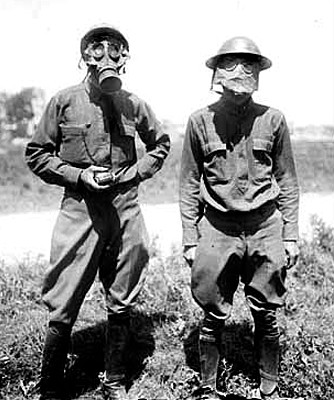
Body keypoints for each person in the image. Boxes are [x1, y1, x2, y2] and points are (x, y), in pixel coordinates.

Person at [25, 24, 170, 400]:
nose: (107, 57)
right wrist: (78, 175)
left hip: (124, 206)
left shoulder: (133, 103)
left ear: (125, 59)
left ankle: (115, 379)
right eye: (97, 50)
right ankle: (52, 389)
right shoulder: (64, 101)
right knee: (64, 298)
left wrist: (132, 174)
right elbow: (37, 154)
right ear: (84, 57)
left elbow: (161, 144)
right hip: (80, 207)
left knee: (123, 292)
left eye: (116, 51)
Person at [179, 36, 300, 400]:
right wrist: (190, 238)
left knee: (266, 313)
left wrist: (290, 235)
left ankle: (270, 387)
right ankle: (207, 388)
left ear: (258, 73)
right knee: (213, 312)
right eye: (231, 64)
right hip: (218, 228)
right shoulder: (200, 121)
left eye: (248, 65)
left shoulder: (273, 120)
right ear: (217, 71)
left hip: (265, 226)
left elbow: (288, 180)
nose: (240, 73)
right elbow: (187, 183)